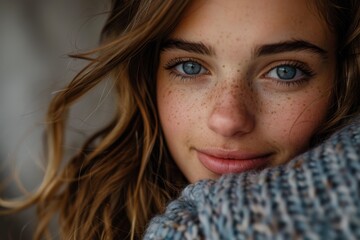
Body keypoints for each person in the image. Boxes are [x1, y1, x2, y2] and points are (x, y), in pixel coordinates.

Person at [1, 0, 360, 239]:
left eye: (284, 71)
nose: (228, 120)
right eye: (190, 67)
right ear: (148, 76)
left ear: (343, 78)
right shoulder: (103, 219)